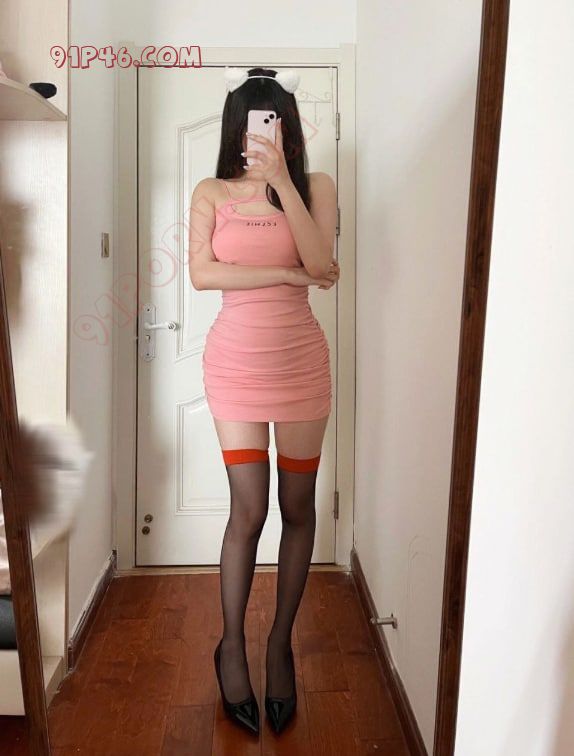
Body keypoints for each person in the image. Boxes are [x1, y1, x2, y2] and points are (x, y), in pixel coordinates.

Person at [188, 66, 340, 736]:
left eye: (274, 120)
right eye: (254, 121)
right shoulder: (212, 191)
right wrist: (283, 271)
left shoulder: (316, 187)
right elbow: (201, 274)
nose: (264, 132)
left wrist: (283, 184)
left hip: (300, 364)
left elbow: (323, 263)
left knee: (298, 506)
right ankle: (230, 646)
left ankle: (279, 646)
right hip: (235, 366)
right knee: (247, 511)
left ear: (289, 126)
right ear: (236, 127)